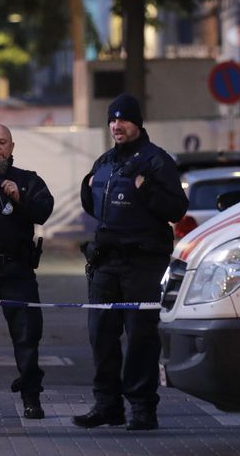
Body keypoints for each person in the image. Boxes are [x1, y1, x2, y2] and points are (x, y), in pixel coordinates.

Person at [74, 93, 188, 431]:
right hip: (106, 262)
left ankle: (142, 408)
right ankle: (107, 405)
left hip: (143, 263)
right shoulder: (105, 161)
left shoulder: (157, 161)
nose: (116, 125)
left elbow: (176, 209)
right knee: (101, 335)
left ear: (137, 123)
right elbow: (95, 205)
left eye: (122, 120)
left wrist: (146, 189)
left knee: (141, 337)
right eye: (112, 120)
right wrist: (86, 186)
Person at [0, 124, 54, 420]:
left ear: (12, 147)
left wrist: (20, 199)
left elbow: (43, 211)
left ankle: (32, 397)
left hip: (17, 270)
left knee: (27, 336)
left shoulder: (27, 180)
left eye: (2, 142)